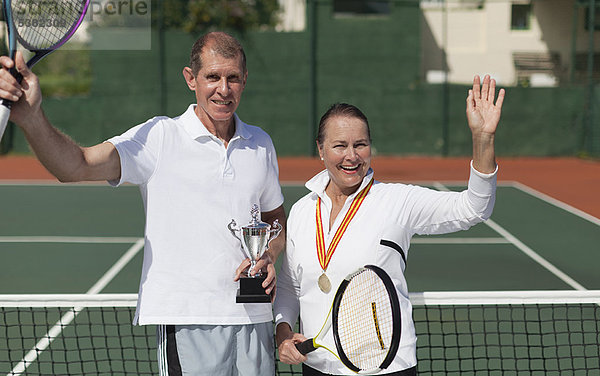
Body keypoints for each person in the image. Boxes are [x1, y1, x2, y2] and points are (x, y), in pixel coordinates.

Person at [0, 31, 286, 376]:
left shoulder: (261, 143)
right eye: (212, 77)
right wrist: (32, 117)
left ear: (244, 81)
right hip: (188, 320)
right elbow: (75, 165)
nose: (223, 90)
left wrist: (269, 253)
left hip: (255, 319)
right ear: (190, 78)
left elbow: (275, 219)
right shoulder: (159, 137)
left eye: (233, 78)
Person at [274, 75, 504, 375]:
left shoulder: (397, 201)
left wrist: (482, 138)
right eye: (339, 145)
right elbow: (290, 286)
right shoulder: (303, 211)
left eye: (361, 145)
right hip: (318, 367)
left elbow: (474, 209)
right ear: (320, 149)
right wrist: (283, 332)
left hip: (384, 368)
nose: (351, 156)